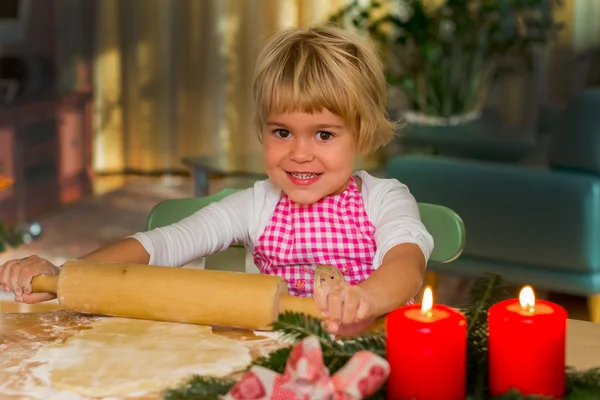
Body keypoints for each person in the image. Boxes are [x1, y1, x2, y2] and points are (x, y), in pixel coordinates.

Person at [0, 25, 433, 334]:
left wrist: (366, 299)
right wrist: (67, 273)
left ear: (360, 132)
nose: (300, 153)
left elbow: (406, 265)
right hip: (277, 355)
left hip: (369, 350)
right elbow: (163, 243)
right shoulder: (257, 205)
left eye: (323, 134)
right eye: (282, 132)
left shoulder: (383, 199)